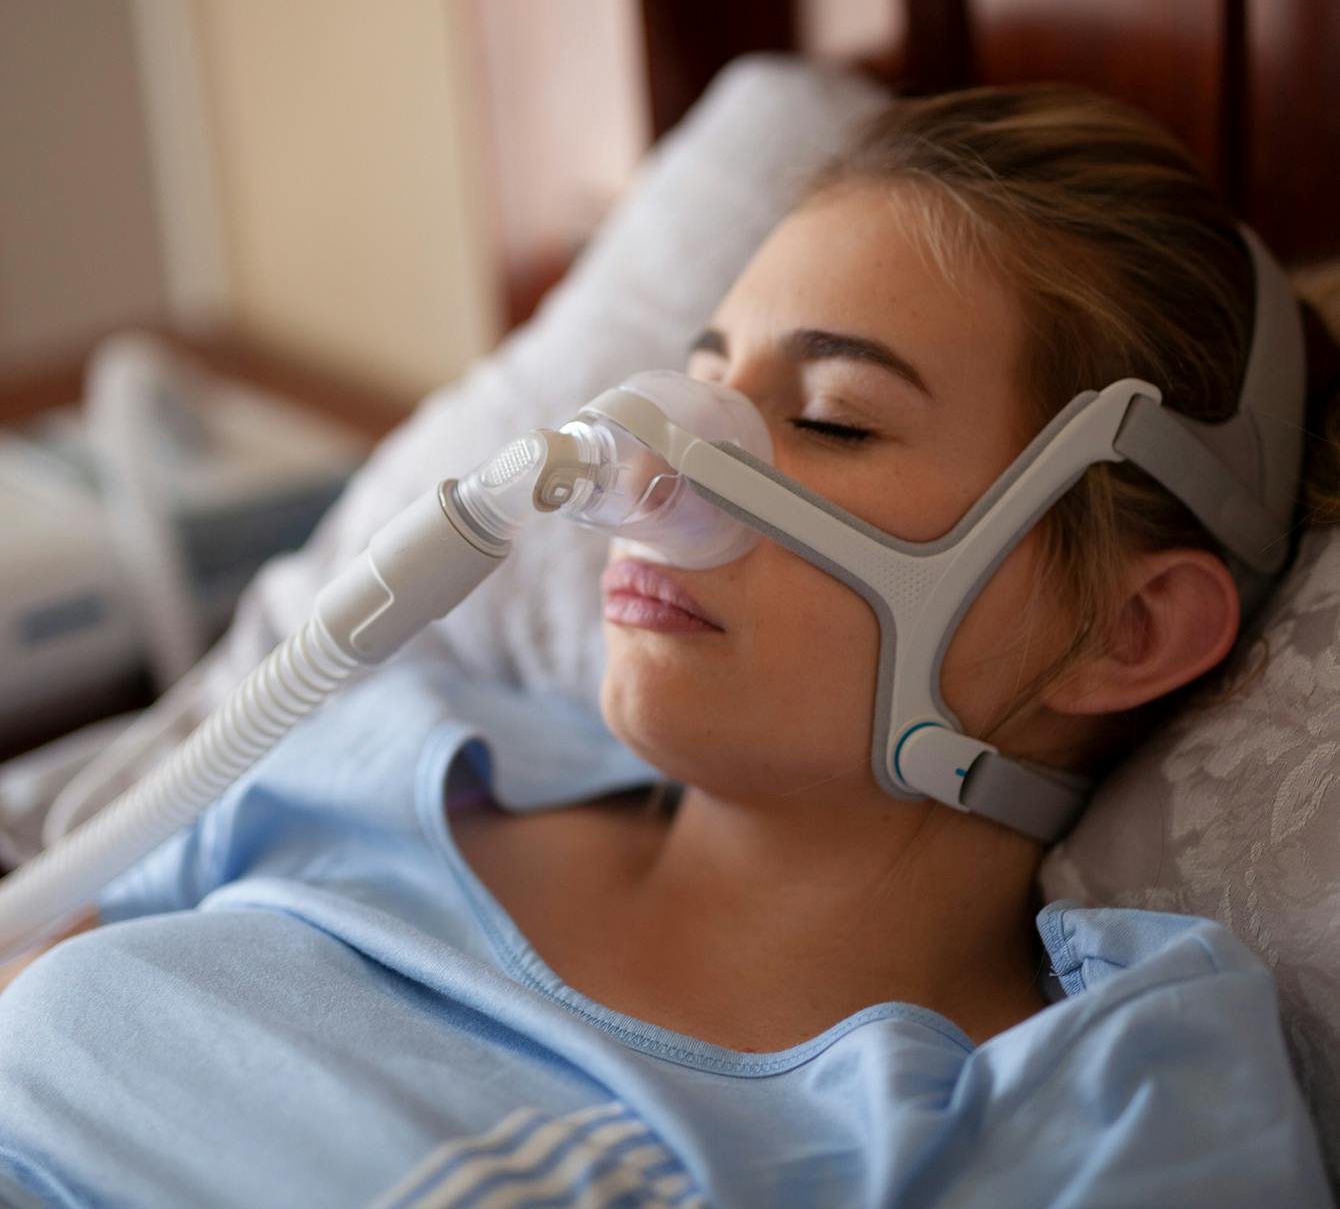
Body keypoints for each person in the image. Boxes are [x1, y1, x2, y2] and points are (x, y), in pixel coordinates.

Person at [0, 86, 1332, 1208]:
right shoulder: (392, 743)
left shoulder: (1098, 1101)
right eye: (703, 381)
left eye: (834, 419)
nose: (658, 466)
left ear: (1127, 630)